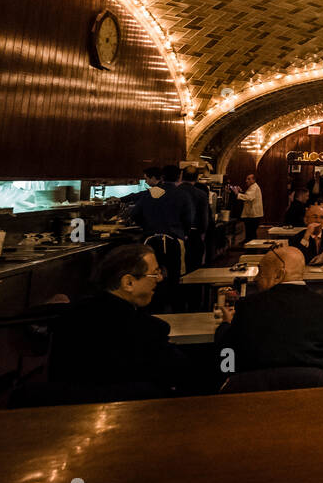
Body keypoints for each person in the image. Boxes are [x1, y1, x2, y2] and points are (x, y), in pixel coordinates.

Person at [49, 244, 183, 397]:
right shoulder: (148, 330)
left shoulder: (69, 317)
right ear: (128, 283)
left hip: (68, 412)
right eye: (155, 273)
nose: (159, 279)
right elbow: (178, 373)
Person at [215, 246, 323, 380]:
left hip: (256, 392)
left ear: (279, 275)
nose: (255, 279)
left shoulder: (248, 305)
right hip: (312, 389)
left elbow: (228, 350)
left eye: (261, 272)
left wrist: (226, 324)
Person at [127, 164, 194, 241]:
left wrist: (146, 226)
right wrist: (184, 233)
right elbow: (188, 219)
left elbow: (134, 214)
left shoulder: (150, 193)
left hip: (151, 237)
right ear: (179, 178)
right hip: (176, 238)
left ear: (162, 178)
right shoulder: (184, 195)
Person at [181, 165, 212, 271]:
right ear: (197, 177)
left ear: (182, 176)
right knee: (194, 266)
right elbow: (204, 217)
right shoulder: (201, 194)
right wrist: (203, 233)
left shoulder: (174, 192)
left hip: (176, 234)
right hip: (194, 234)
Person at [232, 173, 263, 241]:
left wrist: (237, 194)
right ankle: (250, 248)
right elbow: (248, 196)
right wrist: (241, 192)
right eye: (246, 179)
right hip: (253, 215)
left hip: (253, 215)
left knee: (251, 234)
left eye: (249, 179)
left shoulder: (254, 187)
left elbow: (249, 197)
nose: (246, 181)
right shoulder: (253, 187)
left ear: (254, 180)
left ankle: (252, 250)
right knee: (250, 233)